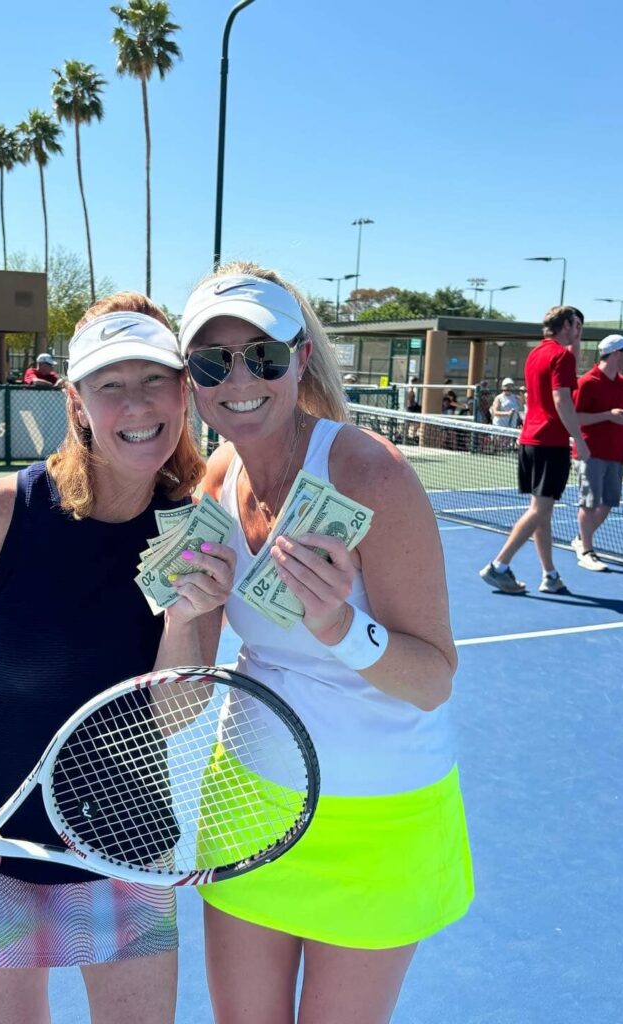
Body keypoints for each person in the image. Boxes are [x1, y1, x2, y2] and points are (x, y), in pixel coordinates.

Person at [0, 292, 235, 1024]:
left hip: (129, 847)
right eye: (111, 385)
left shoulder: (196, 531)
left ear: (183, 393)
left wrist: (185, 613)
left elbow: (174, 714)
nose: (136, 403)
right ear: (77, 402)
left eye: (155, 379)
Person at [178, 264, 473, 1024]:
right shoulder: (216, 479)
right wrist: (184, 613)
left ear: (301, 358)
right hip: (246, 803)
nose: (239, 379)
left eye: (264, 355)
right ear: (192, 378)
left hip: (379, 820)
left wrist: (340, 626)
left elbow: (433, 679)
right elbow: (183, 693)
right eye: (212, 362)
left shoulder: (372, 474)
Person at [479, 305, 590, 594]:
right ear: (566, 325)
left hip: (530, 441)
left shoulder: (537, 353)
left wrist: (576, 343)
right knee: (540, 511)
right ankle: (499, 566)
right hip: (550, 443)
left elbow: (566, 374)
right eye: (576, 326)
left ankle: (550, 575)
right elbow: (562, 399)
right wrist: (579, 439)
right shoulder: (561, 356)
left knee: (541, 511)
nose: (579, 331)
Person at [569, 335, 623, 571]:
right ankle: (587, 551)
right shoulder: (587, 382)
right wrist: (608, 415)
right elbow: (575, 418)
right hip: (590, 452)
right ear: (617, 353)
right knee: (589, 503)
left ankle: (581, 539)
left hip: (616, 454)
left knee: (608, 503)